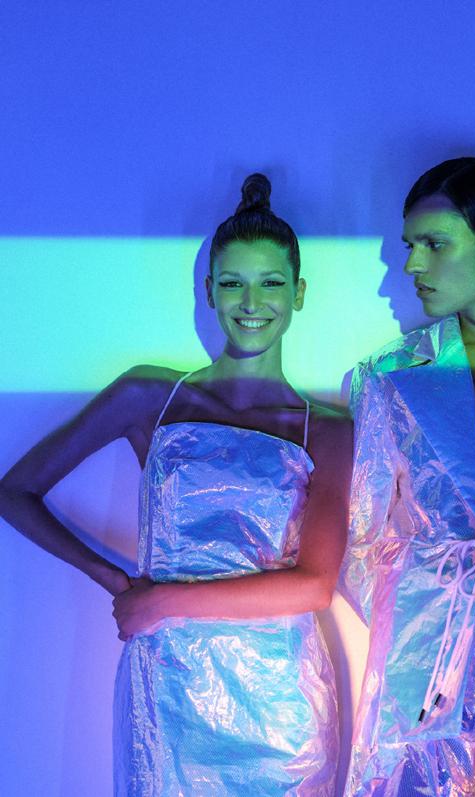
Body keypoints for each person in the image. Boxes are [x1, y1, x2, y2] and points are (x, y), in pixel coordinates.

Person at [0, 174, 352, 796]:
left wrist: (162, 601)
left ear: (298, 294)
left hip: (282, 712)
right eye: (232, 282)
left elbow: (315, 585)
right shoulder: (152, 397)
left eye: (271, 283)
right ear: (209, 291)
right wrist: (116, 581)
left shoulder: (324, 429)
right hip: (167, 692)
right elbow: (16, 491)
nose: (251, 301)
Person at [342, 157, 475, 796]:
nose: (412, 266)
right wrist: (427, 620)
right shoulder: (389, 378)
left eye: (434, 244)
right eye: (410, 246)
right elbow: (362, 537)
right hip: (423, 682)